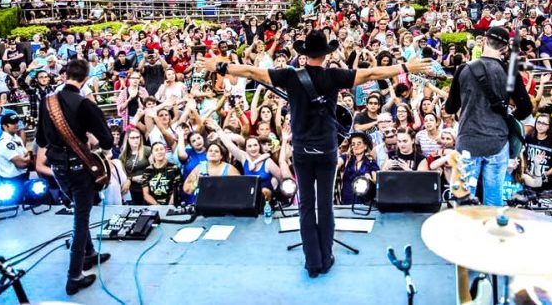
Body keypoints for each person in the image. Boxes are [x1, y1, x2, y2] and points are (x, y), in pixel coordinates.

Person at [198, 29, 430, 278]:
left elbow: (251, 72)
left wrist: (221, 66)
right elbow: (372, 73)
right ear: (326, 53)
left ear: (304, 53)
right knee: (325, 205)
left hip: (302, 151)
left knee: (306, 206)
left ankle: (313, 263)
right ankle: (326, 256)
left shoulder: (289, 76)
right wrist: (406, 66)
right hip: (327, 150)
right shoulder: (333, 76)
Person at [34, 59, 114, 295]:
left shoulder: (47, 102)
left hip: (58, 169)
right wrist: (90, 140)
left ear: (64, 75)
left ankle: (89, 254)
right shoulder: (85, 104)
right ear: (86, 78)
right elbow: (107, 140)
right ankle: (74, 275)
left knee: (80, 210)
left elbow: (40, 139)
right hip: (79, 168)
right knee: (81, 220)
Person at [444, 27, 533, 206]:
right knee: (494, 199)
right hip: (497, 141)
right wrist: (507, 115)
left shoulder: (464, 69)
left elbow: (450, 107)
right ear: (504, 48)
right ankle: (492, 232)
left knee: (464, 200)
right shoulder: (509, 71)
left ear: (484, 40)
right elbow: (525, 109)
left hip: (468, 141)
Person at [0, 114, 30, 186]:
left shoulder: (17, 138)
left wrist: (26, 158)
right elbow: (22, 164)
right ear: (4, 126)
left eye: (17, 122)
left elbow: (26, 153)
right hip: (12, 181)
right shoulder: (5, 143)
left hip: (23, 177)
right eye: (13, 123)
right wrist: (27, 159)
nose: (16, 125)